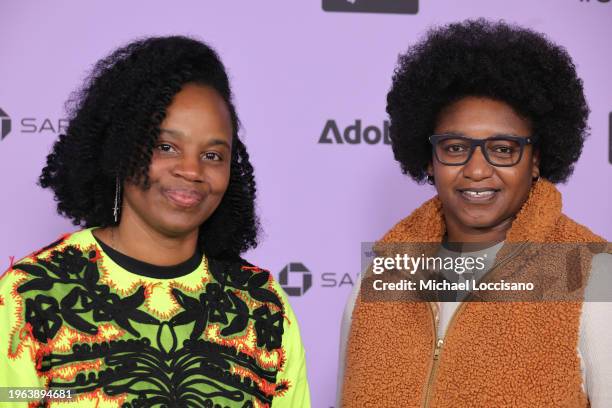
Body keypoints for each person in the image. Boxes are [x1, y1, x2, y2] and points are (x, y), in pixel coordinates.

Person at [0, 36, 311, 408]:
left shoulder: (262, 306)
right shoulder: (29, 296)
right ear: (121, 147)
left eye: (213, 155)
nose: (192, 170)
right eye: (166, 147)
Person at [338, 19, 611, 407]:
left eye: (503, 149)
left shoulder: (592, 276)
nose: (477, 169)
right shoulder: (379, 279)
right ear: (429, 160)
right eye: (454, 148)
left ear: (536, 159)